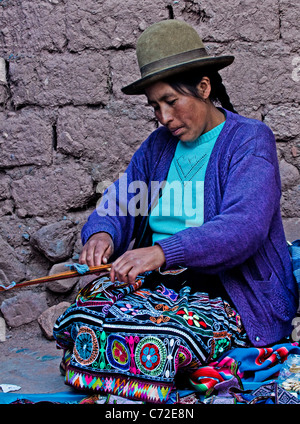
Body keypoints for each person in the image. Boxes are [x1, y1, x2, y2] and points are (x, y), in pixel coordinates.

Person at [53, 20, 299, 404]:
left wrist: (162, 252)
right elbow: (122, 200)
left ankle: (132, 368)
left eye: (171, 101)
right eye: (155, 106)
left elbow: (242, 228)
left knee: (157, 338)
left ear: (204, 87)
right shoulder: (158, 146)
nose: (163, 117)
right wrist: (102, 233)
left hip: (227, 291)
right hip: (163, 287)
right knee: (82, 317)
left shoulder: (250, 141)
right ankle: (140, 367)